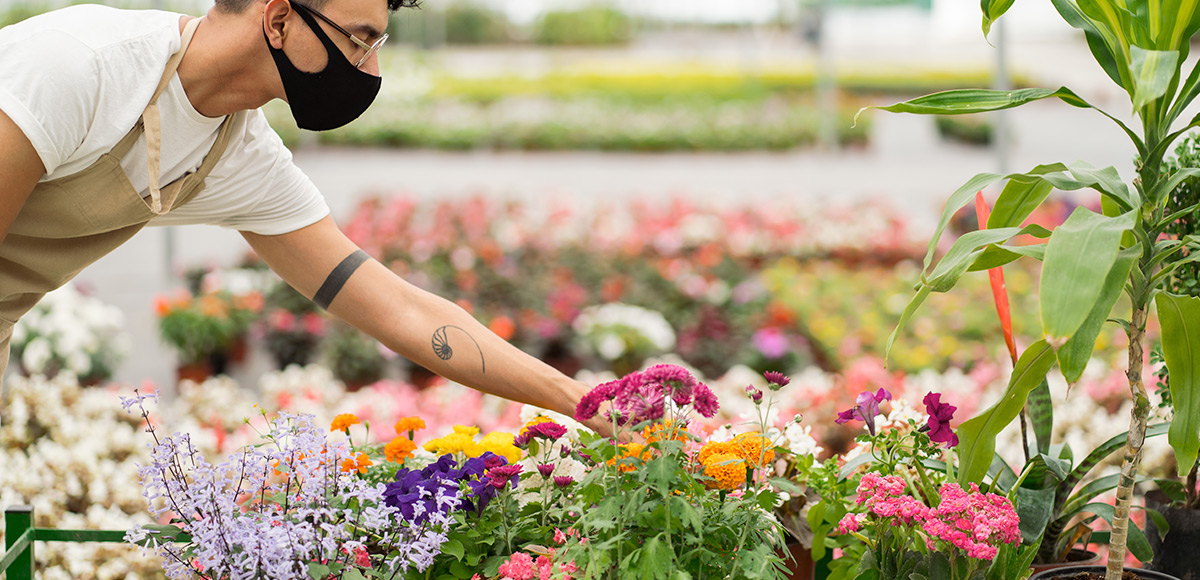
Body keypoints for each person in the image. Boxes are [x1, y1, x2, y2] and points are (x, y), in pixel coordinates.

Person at [0, 0, 608, 434]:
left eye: (376, 47)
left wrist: (584, 403)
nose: (369, 70)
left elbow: (403, 310)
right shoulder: (78, 69)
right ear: (280, 18)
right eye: (358, 40)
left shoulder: (238, 154)